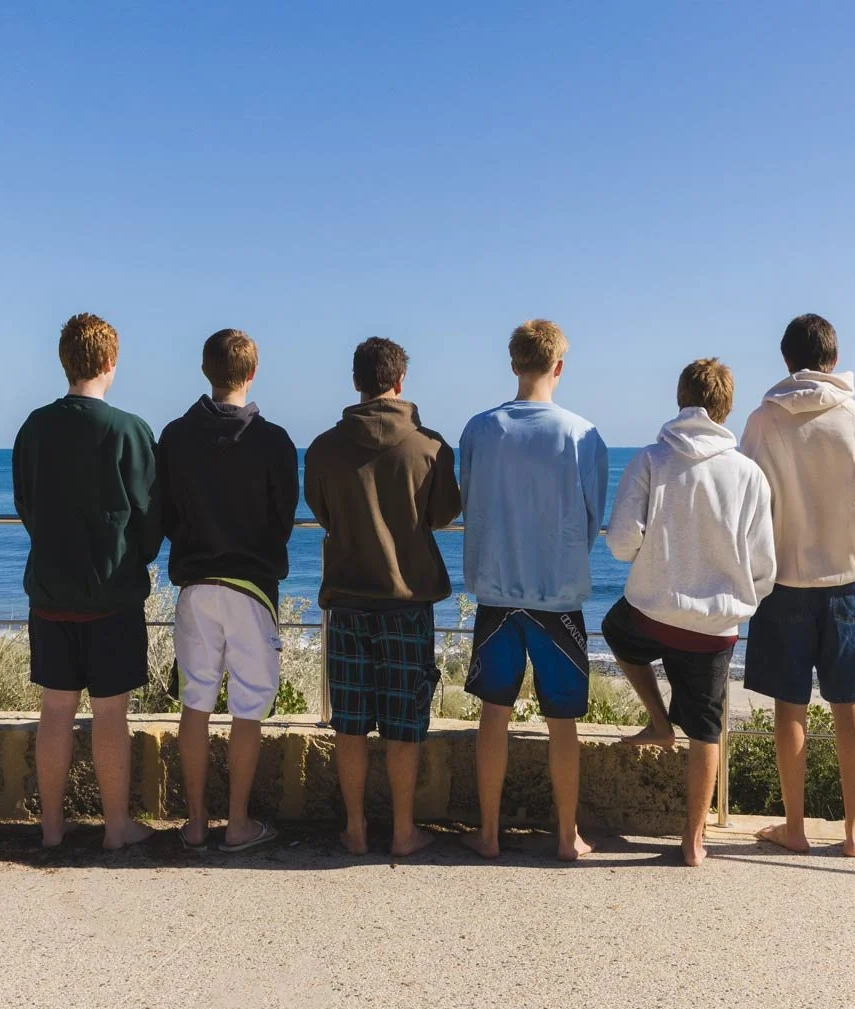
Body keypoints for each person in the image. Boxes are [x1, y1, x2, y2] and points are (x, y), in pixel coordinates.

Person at [603, 359, 775, 866]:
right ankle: (693, 841)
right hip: (714, 627)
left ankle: (658, 721)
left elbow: (619, 542)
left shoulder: (652, 460)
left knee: (616, 628)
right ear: (727, 408)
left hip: (652, 611)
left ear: (680, 399)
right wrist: (734, 605)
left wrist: (653, 560)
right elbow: (764, 564)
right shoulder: (748, 473)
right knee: (707, 728)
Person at [303, 337, 461, 857]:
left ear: (356, 382)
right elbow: (441, 517)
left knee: (349, 721)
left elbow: (322, 512)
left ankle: (353, 829)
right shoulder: (430, 447)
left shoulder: (324, 448)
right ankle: (401, 831)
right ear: (400, 382)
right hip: (407, 600)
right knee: (404, 722)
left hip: (346, 598)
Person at [457, 319, 608, 862]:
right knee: (562, 722)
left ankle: (490, 834)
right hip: (558, 595)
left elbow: (468, 496)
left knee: (492, 716)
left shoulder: (480, 429)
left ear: (514, 363)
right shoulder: (581, 433)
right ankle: (567, 835)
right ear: (558, 366)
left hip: (496, 591)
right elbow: (593, 516)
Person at [739, 314, 855, 857]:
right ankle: (854, 832)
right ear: (834, 356)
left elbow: (750, 502)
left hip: (784, 577)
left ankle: (795, 827)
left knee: (790, 706)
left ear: (786, 360)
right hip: (848, 576)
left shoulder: (762, 421)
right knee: (850, 705)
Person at [12, 313, 163, 850]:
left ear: (65, 362)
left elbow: (25, 505)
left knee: (54, 710)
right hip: (112, 594)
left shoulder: (33, 427)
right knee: (110, 713)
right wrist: (132, 557)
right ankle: (116, 828)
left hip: (51, 591)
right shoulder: (129, 430)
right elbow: (149, 515)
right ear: (108, 363)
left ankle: (52, 828)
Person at [157, 328, 298, 853]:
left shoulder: (174, 435)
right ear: (253, 373)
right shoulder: (274, 440)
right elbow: (282, 519)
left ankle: (194, 823)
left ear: (205, 370)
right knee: (247, 709)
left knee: (194, 703)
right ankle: (236, 824)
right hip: (251, 587)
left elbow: (166, 513)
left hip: (196, 585)